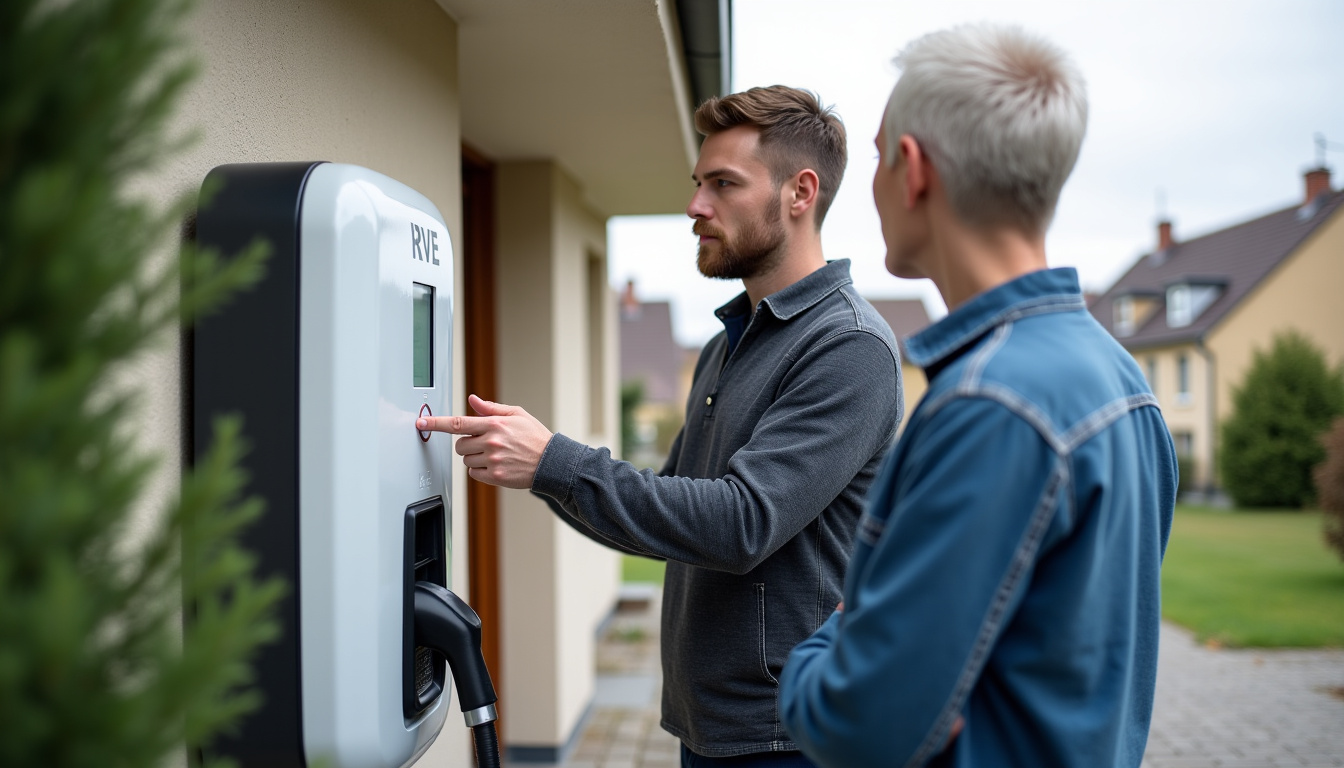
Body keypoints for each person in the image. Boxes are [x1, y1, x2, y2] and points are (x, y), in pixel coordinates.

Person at [417, 86, 903, 766]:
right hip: (709, 728)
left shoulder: (849, 348)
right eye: (697, 183)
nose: (695, 206)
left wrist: (555, 460)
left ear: (801, 193)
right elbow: (670, 514)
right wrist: (537, 468)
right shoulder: (727, 344)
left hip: (791, 737)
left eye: (723, 184)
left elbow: (739, 524)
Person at [777, 24, 1177, 768]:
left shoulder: (988, 406)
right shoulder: (1122, 378)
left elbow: (856, 723)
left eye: (873, 155)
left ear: (912, 168)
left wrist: (832, 639)